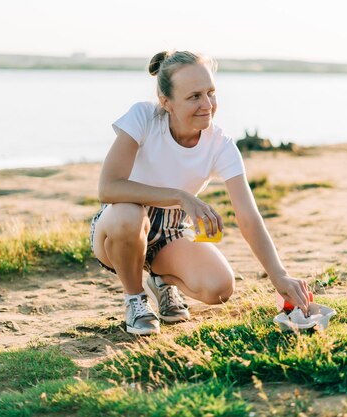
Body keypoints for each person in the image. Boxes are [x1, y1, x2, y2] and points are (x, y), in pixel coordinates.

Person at [90, 50, 312, 335]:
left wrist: (279, 276)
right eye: (194, 96)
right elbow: (108, 188)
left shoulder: (220, 144)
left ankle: (161, 281)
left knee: (219, 288)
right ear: (166, 102)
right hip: (118, 226)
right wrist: (182, 197)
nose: (207, 104)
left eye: (211, 93)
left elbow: (248, 216)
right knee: (129, 216)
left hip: (170, 233)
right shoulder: (143, 118)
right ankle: (135, 300)